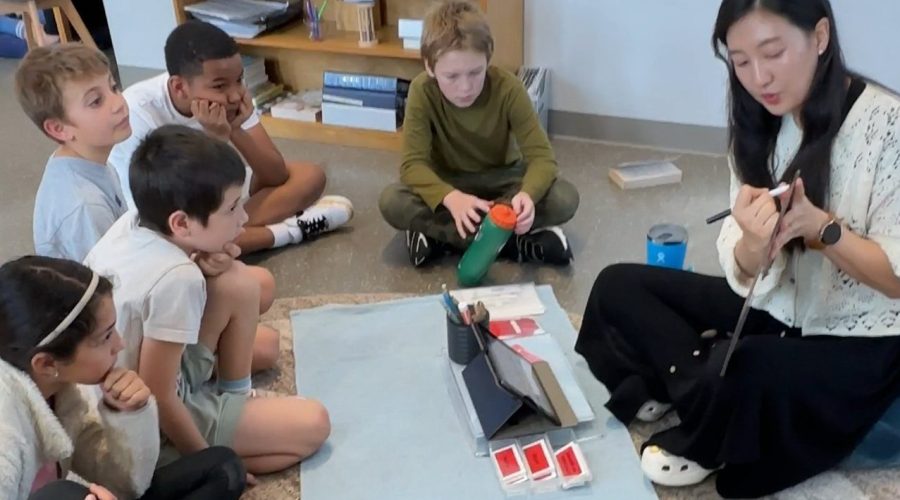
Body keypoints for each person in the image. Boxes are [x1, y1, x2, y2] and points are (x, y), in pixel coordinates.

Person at [574, 0, 900, 497]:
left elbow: (895, 283)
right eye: (740, 61)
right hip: (778, 306)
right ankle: (707, 386)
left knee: (745, 364)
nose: (758, 78)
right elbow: (740, 269)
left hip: (861, 340)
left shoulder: (888, 125)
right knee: (618, 286)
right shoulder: (758, 123)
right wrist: (754, 243)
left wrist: (824, 231)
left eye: (772, 53)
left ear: (819, 37)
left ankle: (701, 393)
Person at [86, 125, 331, 473]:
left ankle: (235, 404)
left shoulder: (137, 220)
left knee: (253, 311)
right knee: (314, 422)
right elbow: (159, 394)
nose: (244, 218)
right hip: (143, 416)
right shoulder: (175, 279)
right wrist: (207, 463)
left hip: (141, 370)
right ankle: (178, 457)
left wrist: (204, 255)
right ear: (182, 223)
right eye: (232, 209)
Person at [0, 256, 246, 500]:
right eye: (106, 337)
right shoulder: (5, 433)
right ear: (47, 363)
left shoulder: (61, 392)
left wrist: (130, 414)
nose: (120, 344)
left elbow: (127, 486)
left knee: (222, 467)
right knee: (62, 494)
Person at [108, 20, 353, 255]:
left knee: (310, 176)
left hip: (221, 196)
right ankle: (289, 231)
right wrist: (217, 141)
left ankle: (220, 242)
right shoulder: (139, 112)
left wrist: (234, 130)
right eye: (219, 86)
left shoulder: (233, 99)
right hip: (178, 211)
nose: (235, 95)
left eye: (239, 80)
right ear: (179, 87)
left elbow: (276, 174)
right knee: (173, 243)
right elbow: (174, 205)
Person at [379, 0, 578, 267]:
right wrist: (451, 198)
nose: (465, 87)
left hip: (504, 182)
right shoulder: (421, 92)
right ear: (429, 66)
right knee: (392, 201)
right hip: (449, 184)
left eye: (475, 72)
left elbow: (542, 158)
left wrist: (526, 197)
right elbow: (412, 165)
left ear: (489, 57)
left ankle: (445, 239)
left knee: (564, 198)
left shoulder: (509, 88)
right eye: (451, 76)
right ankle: (509, 243)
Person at [15, 44, 128, 262]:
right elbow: (110, 284)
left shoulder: (92, 161)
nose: (118, 103)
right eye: (96, 101)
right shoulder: (84, 206)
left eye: (113, 87)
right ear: (59, 129)